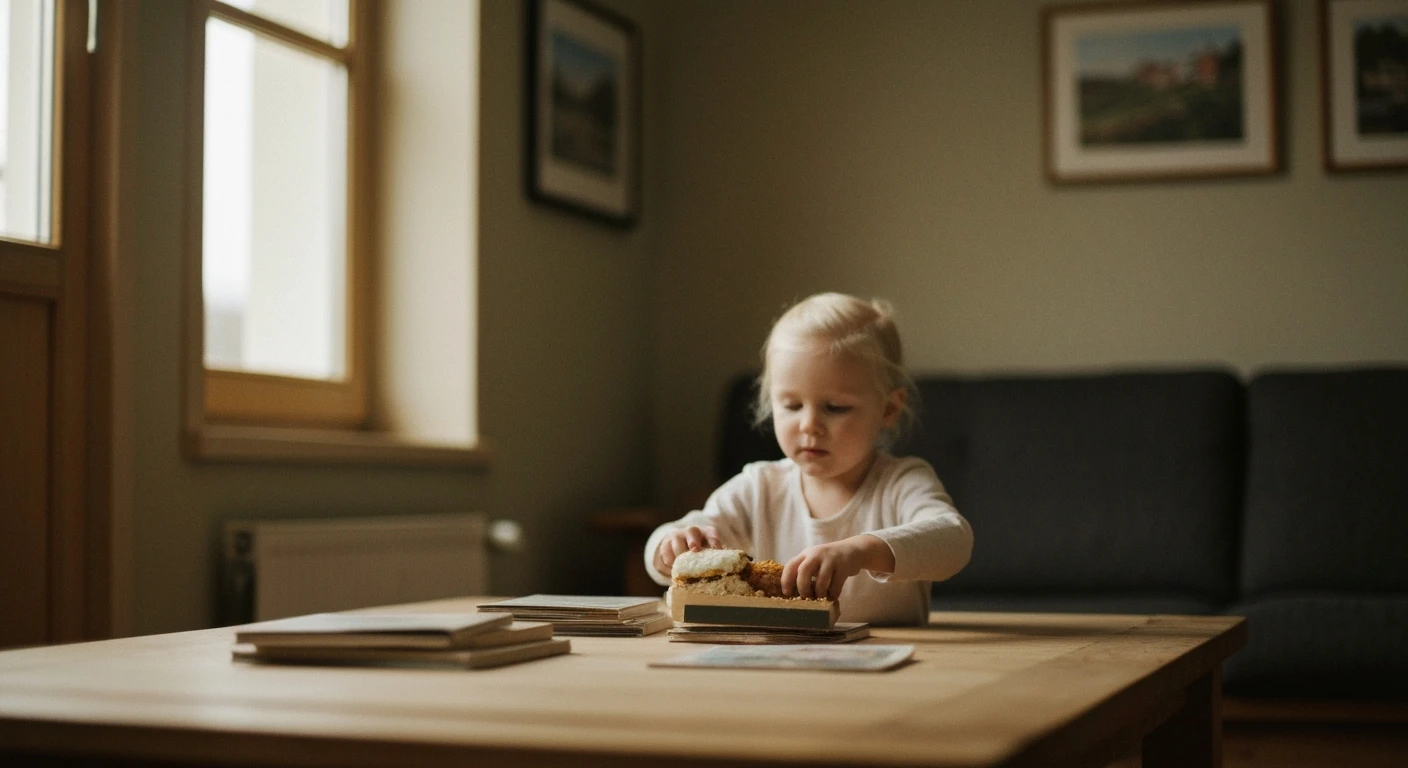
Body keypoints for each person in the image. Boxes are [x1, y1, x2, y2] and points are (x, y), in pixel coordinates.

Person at [643, 292, 973, 625]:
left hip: (898, 652)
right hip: (782, 650)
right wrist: (671, 546)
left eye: (834, 407)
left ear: (888, 409)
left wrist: (860, 551)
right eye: (792, 405)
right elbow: (676, 536)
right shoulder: (760, 487)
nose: (809, 425)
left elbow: (953, 540)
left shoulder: (902, 482)